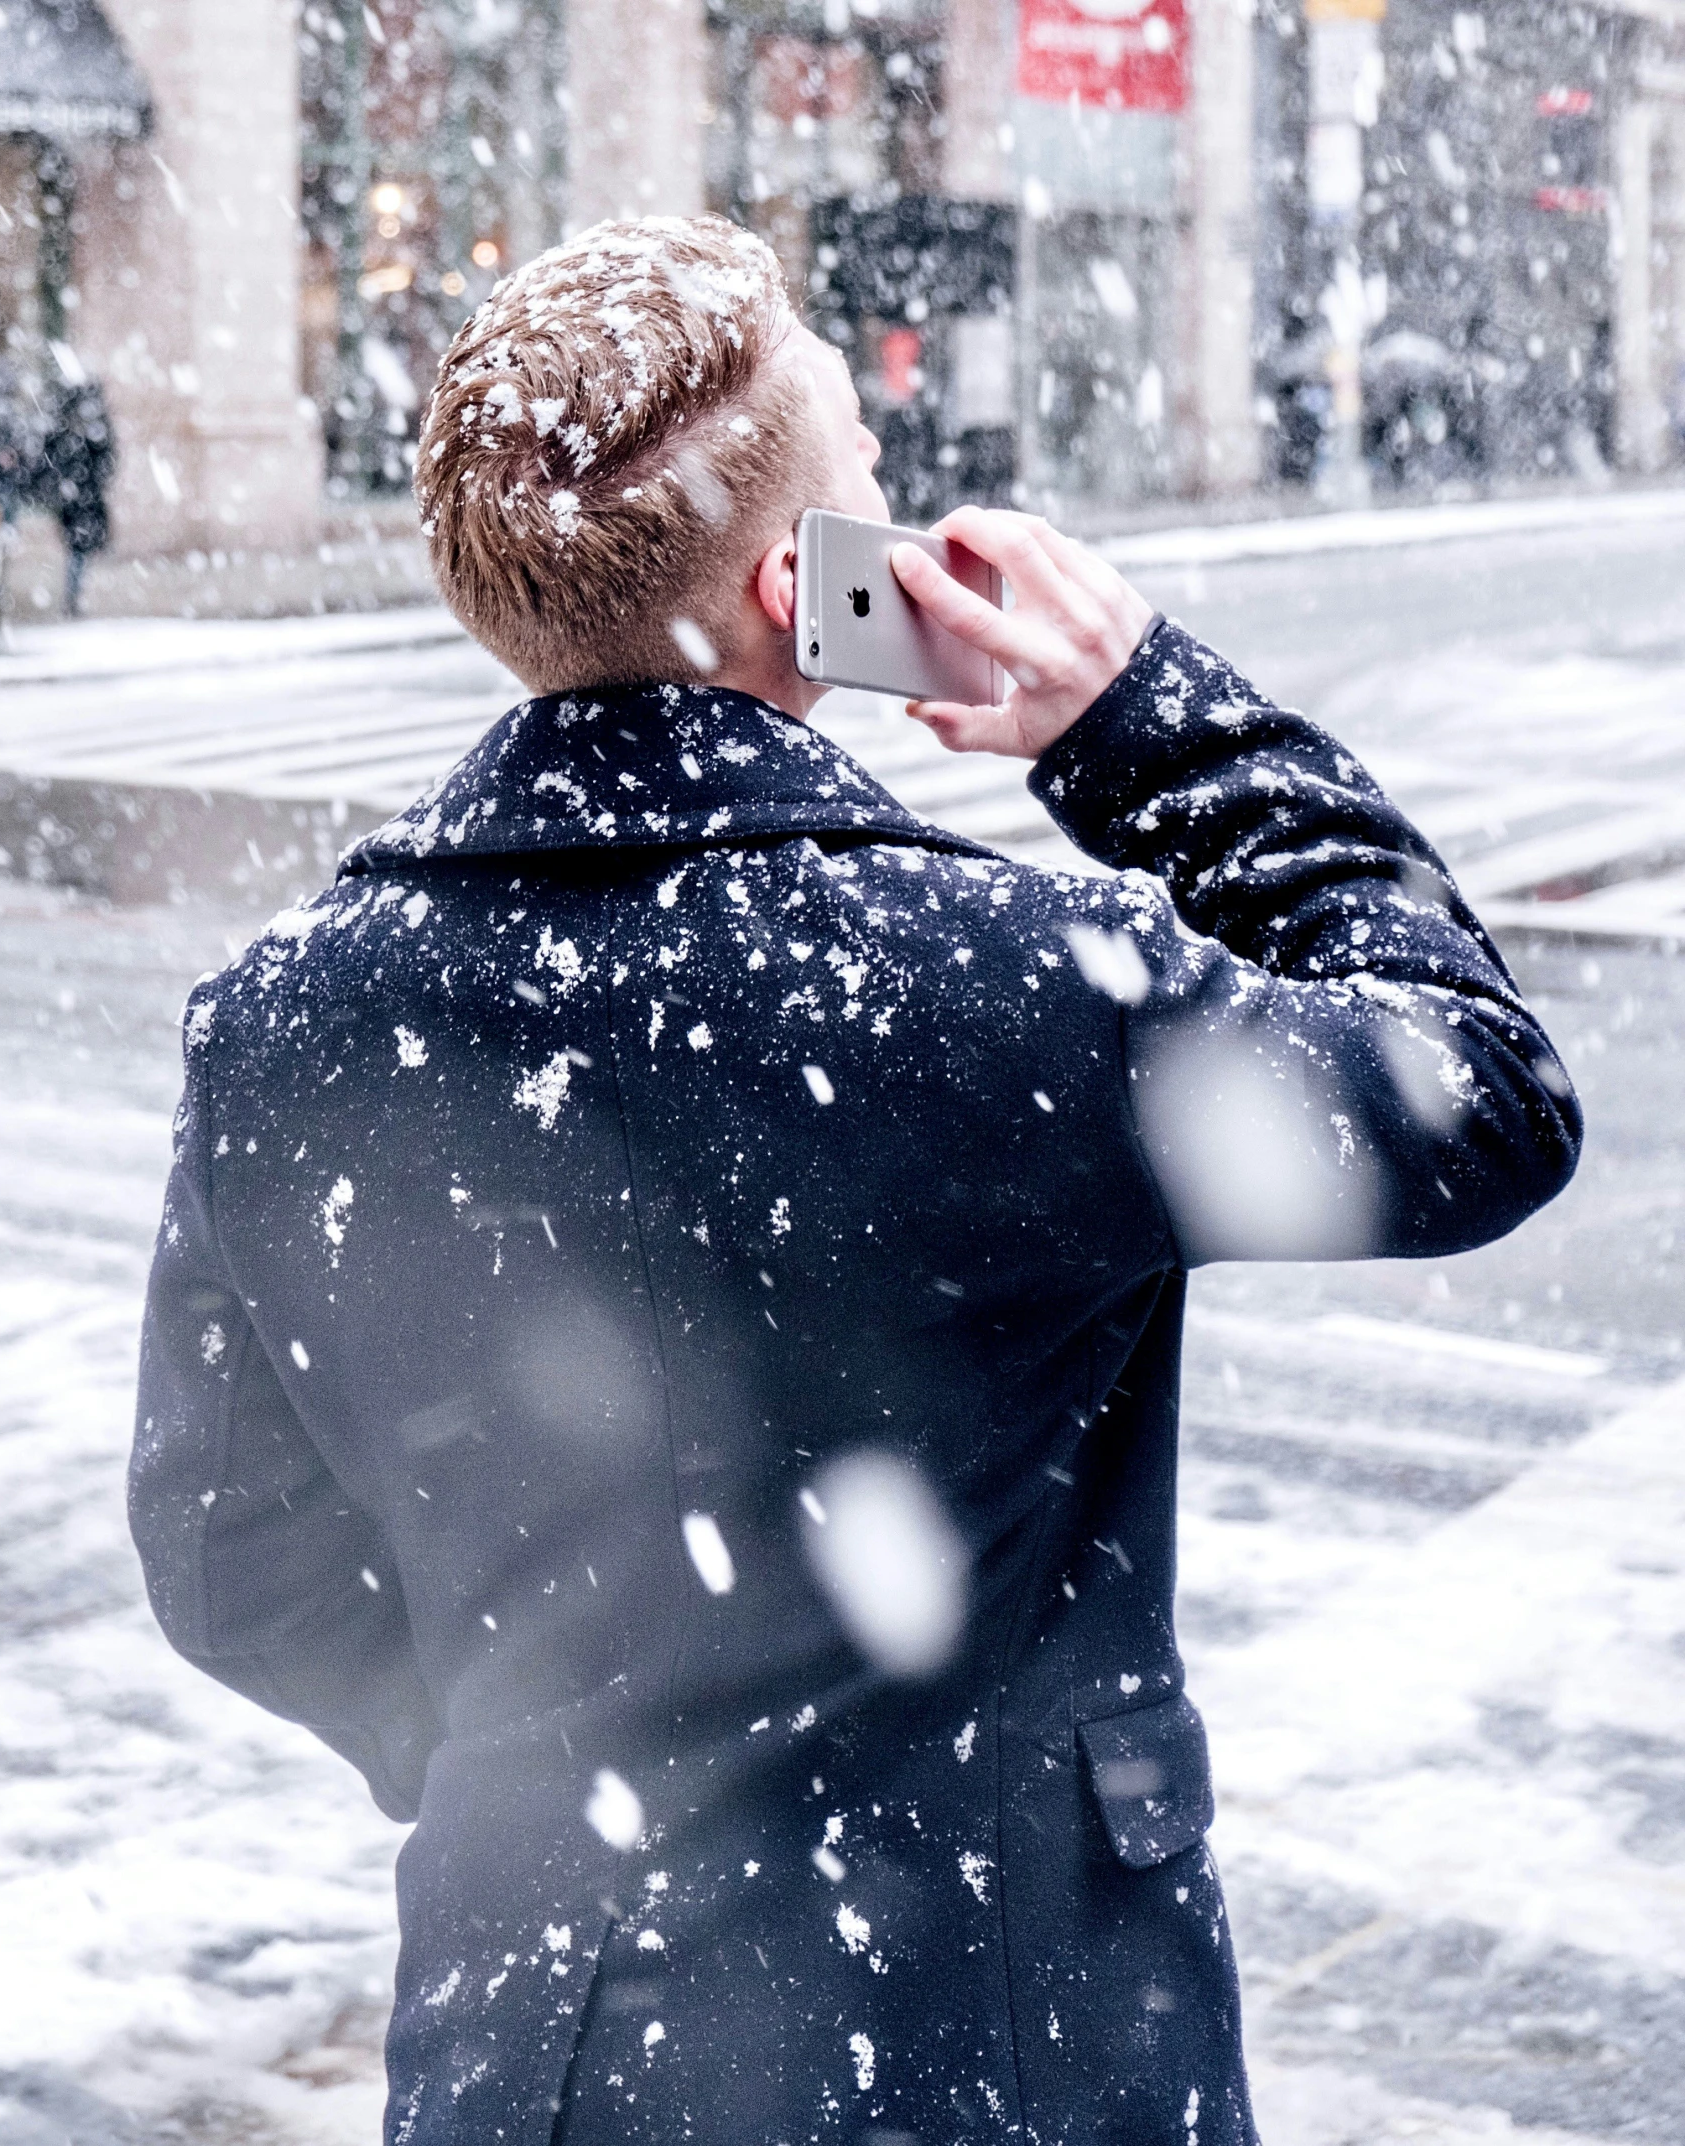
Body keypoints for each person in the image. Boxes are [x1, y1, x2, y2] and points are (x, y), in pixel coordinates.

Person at [129, 217, 1580, 2145]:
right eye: (873, 486)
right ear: (795, 589)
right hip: (1002, 2029)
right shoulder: (1017, 990)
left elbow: (233, 1558)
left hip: (540, 2050)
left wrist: (528, 1760)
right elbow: (1478, 1095)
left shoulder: (284, 1026)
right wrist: (1144, 715)